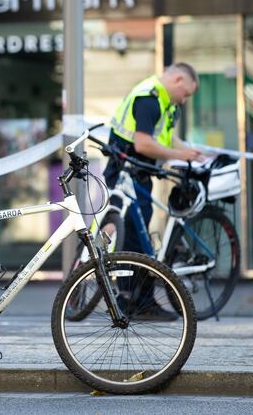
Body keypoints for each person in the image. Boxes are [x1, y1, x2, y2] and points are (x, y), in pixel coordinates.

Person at [103, 62, 202, 317]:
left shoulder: (163, 102)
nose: (184, 101)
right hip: (127, 172)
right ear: (179, 80)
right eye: (187, 94)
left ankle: (136, 299)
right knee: (133, 236)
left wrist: (192, 152)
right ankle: (133, 300)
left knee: (137, 233)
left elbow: (164, 138)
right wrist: (181, 154)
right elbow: (144, 144)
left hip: (137, 173)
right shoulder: (149, 98)